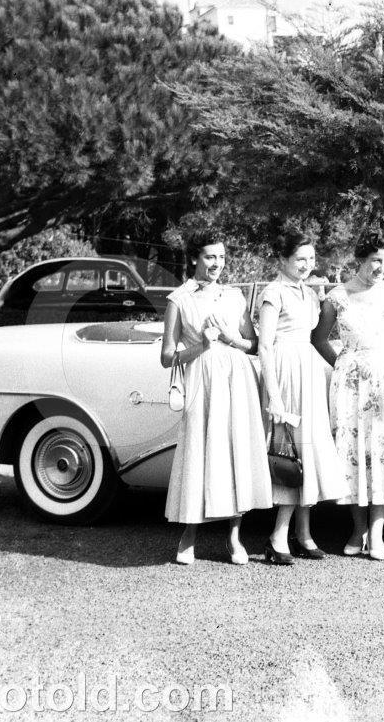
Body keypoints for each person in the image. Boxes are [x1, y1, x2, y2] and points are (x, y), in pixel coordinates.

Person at [311, 229, 384, 561]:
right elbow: (319, 338)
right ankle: (357, 529)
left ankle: (376, 534)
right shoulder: (337, 296)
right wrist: (342, 364)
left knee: (382, 454)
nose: (382, 267)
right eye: (376, 260)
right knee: (353, 454)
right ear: (361, 259)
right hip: (349, 385)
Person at [160, 232, 272, 565]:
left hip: (237, 378)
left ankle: (234, 537)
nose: (217, 264)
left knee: (235, 451)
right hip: (202, 380)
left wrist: (229, 338)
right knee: (200, 450)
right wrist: (202, 346)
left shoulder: (234, 296)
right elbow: (167, 357)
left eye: (221, 257)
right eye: (210, 257)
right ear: (195, 258)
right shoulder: (179, 299)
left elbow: (253, 344)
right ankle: (189, 535)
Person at [256, 232, 348, 565]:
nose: (306, 265)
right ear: (283, 259)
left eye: (311, 259)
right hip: (285, 372)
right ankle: (278, 536)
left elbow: (316, 335)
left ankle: (303, 532)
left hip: (308, 372)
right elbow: (265, 345)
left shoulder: (309, 293)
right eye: (300, 259)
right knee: (290, 451)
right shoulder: (273, 292)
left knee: (309, 449)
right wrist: (275, 396)